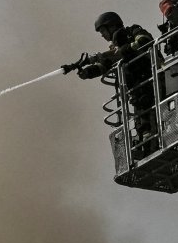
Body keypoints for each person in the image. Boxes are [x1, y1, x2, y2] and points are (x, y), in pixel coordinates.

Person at [64, 12, 158, 156]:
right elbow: (105, 65)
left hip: (152, 80)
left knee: (149, 111)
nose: (102, 35)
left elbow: (144, 41)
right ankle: (145, 144)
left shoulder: (133, 31)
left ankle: (151, 141)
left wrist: (120, 51)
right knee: (140, 116)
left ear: (112, 26)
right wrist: (88, 72)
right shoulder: (115, 49)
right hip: (136, 89)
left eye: (103, 31)